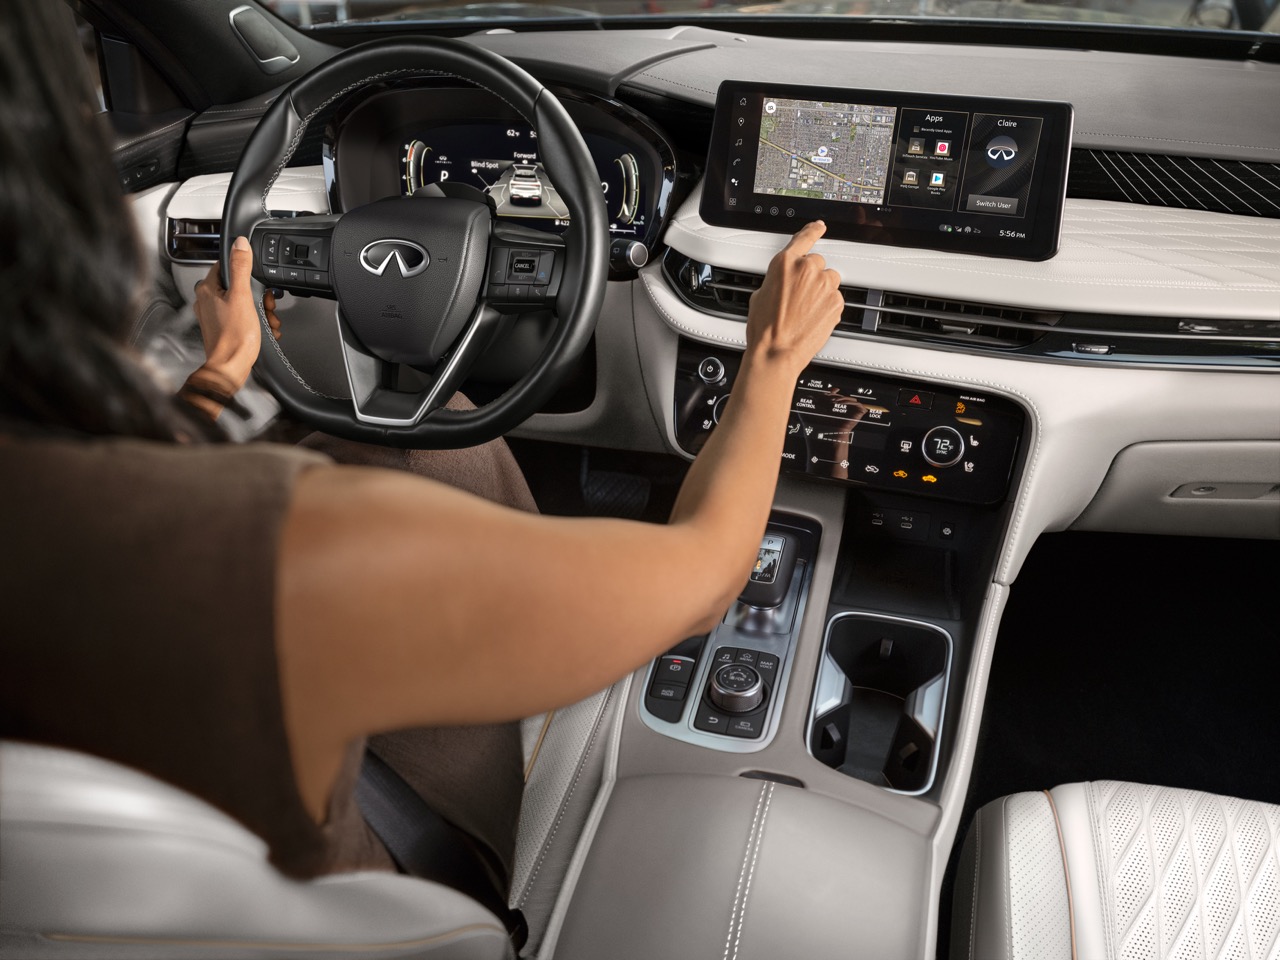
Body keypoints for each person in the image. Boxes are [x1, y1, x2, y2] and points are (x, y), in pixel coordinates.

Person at [0, 0, 844, 923]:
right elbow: (710, 579)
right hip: (381, 902)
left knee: (377, 429)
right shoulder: (286, 553)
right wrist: (772, 361)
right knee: (446, 425)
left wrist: (218, 379)